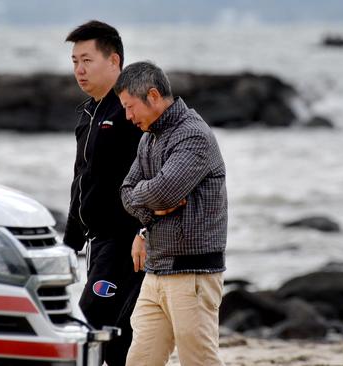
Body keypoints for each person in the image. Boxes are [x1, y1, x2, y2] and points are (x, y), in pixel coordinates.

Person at [115, 61, 228, 366]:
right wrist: (148, 217)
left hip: (192, 273)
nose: (128, 116)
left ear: (152, 96)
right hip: (157, 270)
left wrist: (148, 199)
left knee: (199, 361)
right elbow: (126, 193)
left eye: (130, 106)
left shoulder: (193, 136)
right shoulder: (149, 138)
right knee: (139, 360)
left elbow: (163, 192)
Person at [62, 20, 144, 366]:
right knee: (117, 335)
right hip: (98, 242)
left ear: (114, 61)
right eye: (75, 61)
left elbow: (156, 174)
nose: (79, 70)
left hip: (125, 241)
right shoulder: (89, 112)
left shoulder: (130, 112)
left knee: (91, 324)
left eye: (87, 60)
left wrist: (145, 230)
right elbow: (82, 180)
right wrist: (69, 242)